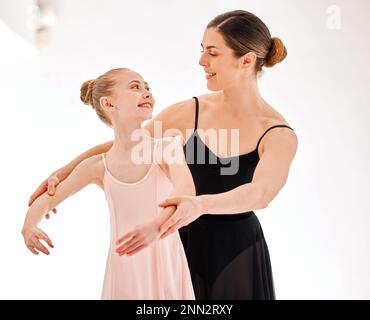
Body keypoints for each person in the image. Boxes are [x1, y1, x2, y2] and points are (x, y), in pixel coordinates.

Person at [29, 10, 298, 300]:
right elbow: (128, 145)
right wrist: (62, 172)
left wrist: (198, 204)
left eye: (213, 53)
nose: (201, 61)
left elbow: (261, 193)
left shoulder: (277, 133)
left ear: (246, 60)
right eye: (201, 51)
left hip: (237, 255)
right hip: (177, 245)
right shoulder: (189, 112)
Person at [22, 68, 196, 300]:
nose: (146, 92)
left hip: (164, 263)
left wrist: (157, 225)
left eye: (147, 87)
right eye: (135, 87)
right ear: (108, 104)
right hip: (124, 269)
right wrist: (29, 227)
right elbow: (48, 199)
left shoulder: (165, 148)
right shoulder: (98, 166)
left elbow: (187, 193)